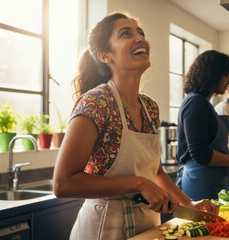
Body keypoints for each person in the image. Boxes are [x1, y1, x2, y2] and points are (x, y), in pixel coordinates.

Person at [52, 12, 218, 240]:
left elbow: (155, 171)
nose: (140, 38)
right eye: (126, 33)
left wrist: (189, 203)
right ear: (104, 55)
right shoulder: (96, 103)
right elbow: (63, 183)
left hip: (148, 228)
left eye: (140, 32)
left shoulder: (149, 108)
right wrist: (139, 184)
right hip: (103, 230)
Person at [175, 50, 229, 201]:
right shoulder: (195, 102)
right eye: (226, 75)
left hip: (211, 183)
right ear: (213, 75)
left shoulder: (204, 103)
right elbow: (201, 154)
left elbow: (215, 150)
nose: (228, 81)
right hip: (198, 183)